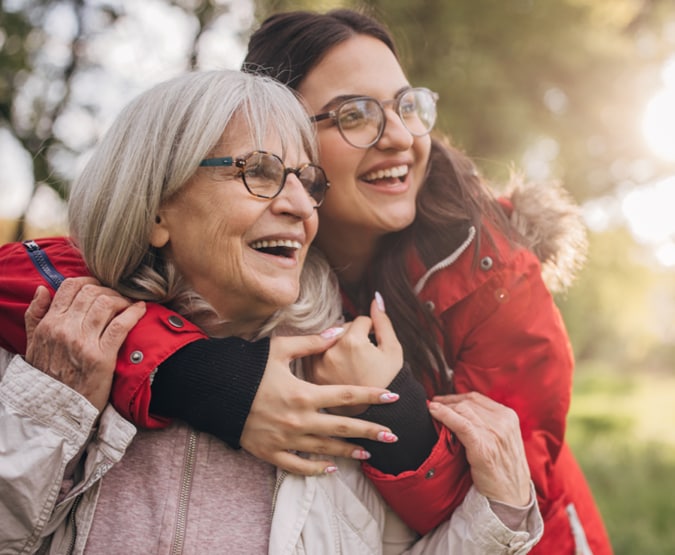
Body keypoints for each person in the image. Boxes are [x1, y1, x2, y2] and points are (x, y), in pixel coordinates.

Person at [0, 69, 543, 553]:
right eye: (258, 172)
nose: (301, 207)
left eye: (308, 182)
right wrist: (47, 415)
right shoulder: (48, 355)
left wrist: (502, 513)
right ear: (156, 209)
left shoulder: (344, 386)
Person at [238, 8, 612, 555]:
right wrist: (222, 385)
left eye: (406, 106)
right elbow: (86, 278)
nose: (400, 137)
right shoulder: (247, 247)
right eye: (356, 115)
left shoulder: (494, 274)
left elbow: (505, 496)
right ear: (282, 141)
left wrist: (387, 401)